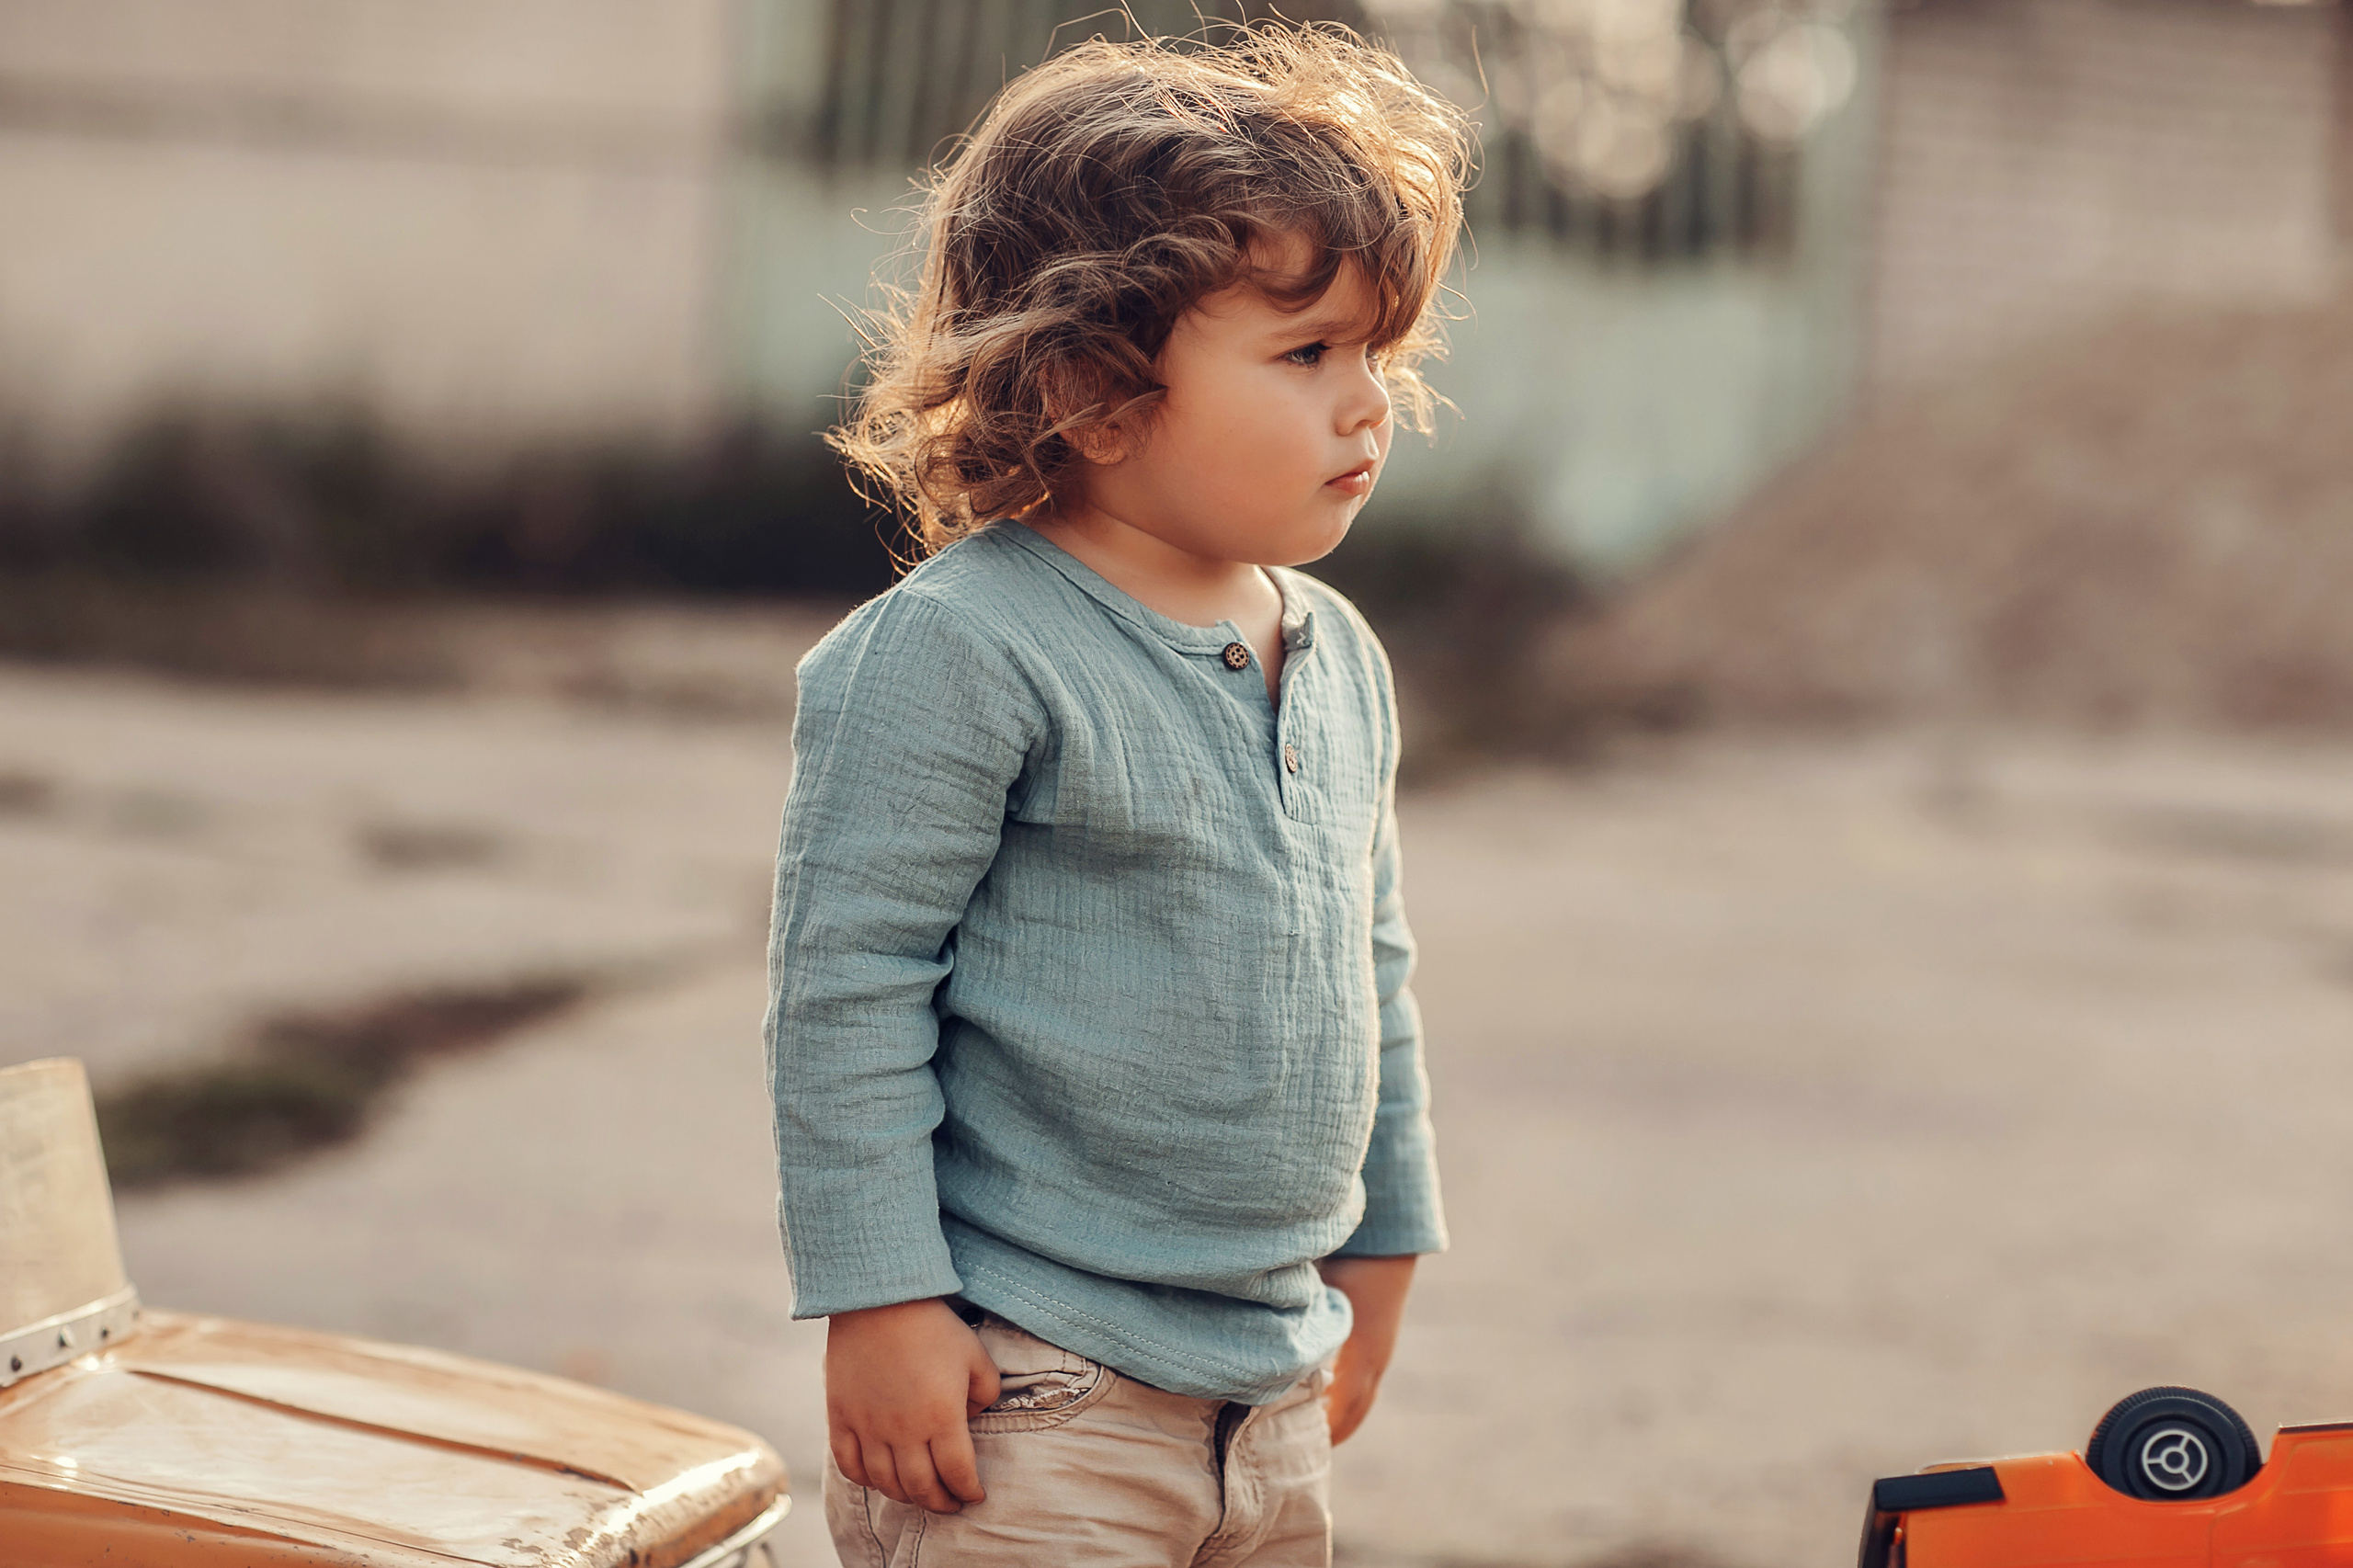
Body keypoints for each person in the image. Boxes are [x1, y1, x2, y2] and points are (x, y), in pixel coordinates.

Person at [766, 23, 1469, 1566]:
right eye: (1306, 354)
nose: (1368, 404)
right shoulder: (962, 648)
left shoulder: (1340, 655)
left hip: (1266, 1389)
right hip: (1030, 1390)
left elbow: (1374, 968)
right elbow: (847, 985)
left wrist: (1389, 1234)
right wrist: (880, 1295)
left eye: (1376, 353)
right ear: (1092, 390)